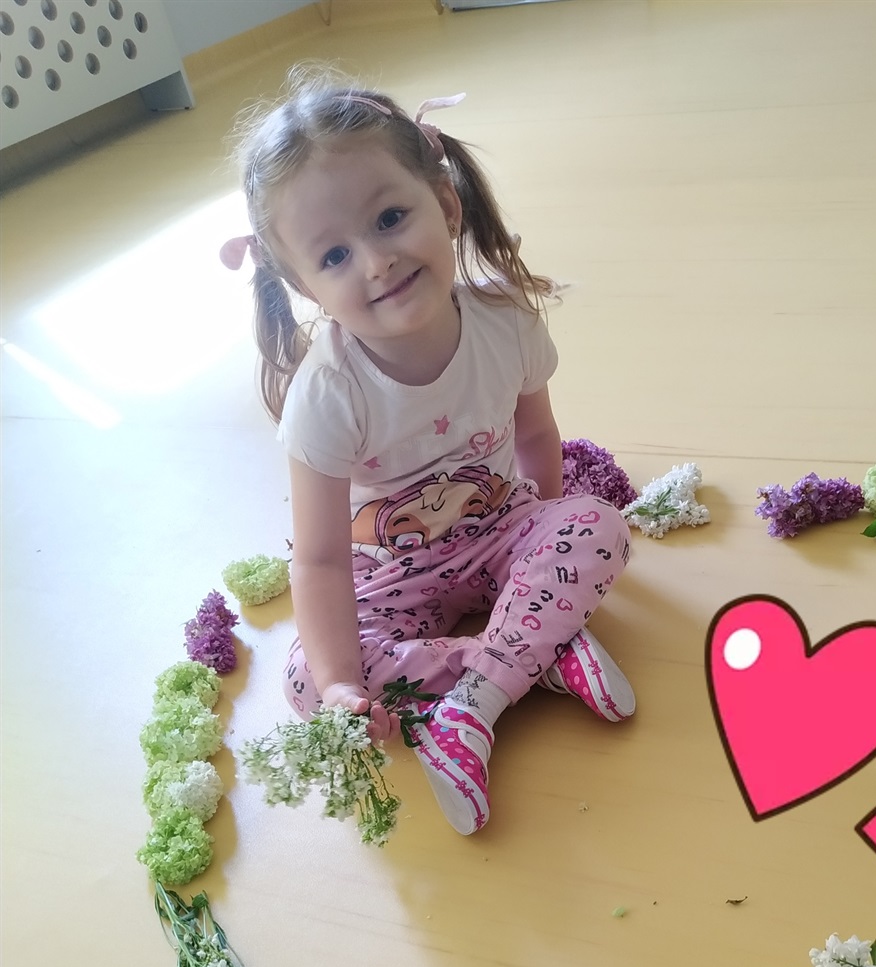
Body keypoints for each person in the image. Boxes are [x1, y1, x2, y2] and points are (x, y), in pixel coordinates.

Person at [222, 75, 634, 834]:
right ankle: (528, 658)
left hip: (500, 531)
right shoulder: (328, 395)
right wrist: (341, 686)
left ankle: (473, 702)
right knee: (307, 676)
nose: (376, 261)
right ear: (303, 286)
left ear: (445, 203)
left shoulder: (505, 322)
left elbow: (537, 439)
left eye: (390, 218)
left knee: (597, 523)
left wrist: (537, 548)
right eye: (335, 254)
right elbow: (320, 562)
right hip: (393, 575)